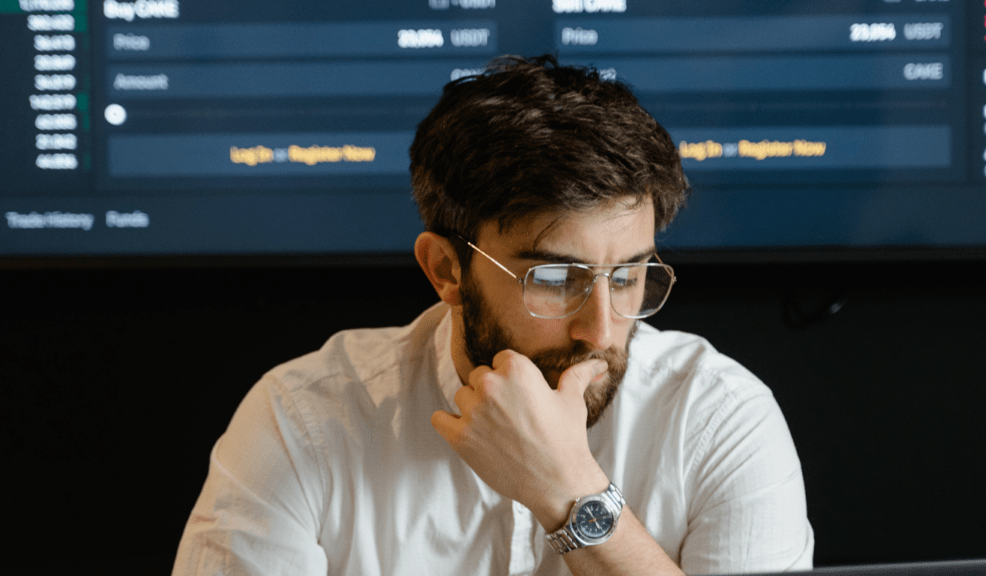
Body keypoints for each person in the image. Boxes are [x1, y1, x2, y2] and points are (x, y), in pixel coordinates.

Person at [171, 54, 813, 576]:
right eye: (555, 279)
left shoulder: (720, 419)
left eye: (628, 276)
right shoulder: (302, 422)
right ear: (446, 270)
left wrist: (570, 496)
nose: (603, 328)